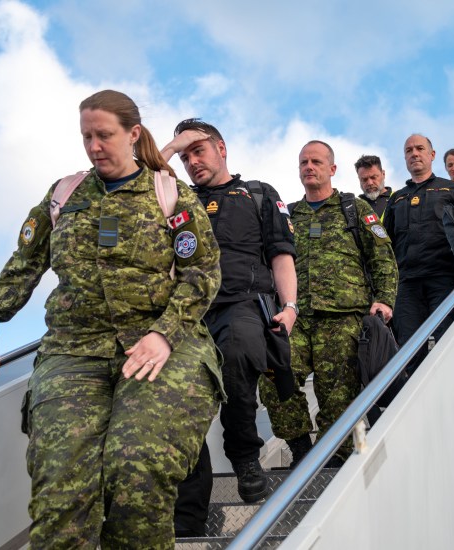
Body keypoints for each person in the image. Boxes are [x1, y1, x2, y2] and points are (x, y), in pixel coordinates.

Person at [0, 90, 223, 549]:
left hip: (162, 349)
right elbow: (26, 262)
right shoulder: (64, 195)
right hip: (73, 350)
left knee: (136, 471)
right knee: (61, 486)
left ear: (133, 134)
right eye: (86, 136)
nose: (93, 146)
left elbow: (202, 274)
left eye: (104, 135)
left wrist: (163, 335)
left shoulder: (169, 194)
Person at [160, 120, 297, 514]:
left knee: (238, 355)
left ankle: (245, 457)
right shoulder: (176, 199)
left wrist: (289, 307)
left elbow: (281, 255)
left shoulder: (256, 193)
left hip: (243, 301)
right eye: (184, 157)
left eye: (198, 151)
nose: (191, 162)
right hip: (189, 311)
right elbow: (138, 180)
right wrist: (172, 147)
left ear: (222, 149)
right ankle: (189, 511)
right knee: (178, 403)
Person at [264, 140, 398, 466]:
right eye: (303, 162)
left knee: (337, 398)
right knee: (272, 377)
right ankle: (299, 450)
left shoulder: (354, 209)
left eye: (316, 162)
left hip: (343, 317)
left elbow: (383, 257)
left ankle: (330, 466)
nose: (309, 167)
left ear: (332, 169)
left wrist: (383, 299)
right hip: (296, 315)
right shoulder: (288, 215)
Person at [383, 134, 454, 370]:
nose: (414, 153)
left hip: (445, 280)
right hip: (407, 284)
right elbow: (384, 246)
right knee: (408, 352)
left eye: (420, 148)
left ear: (431, 155)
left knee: (449, 343)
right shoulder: (397, 198)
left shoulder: (451, 189)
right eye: (409, 150)